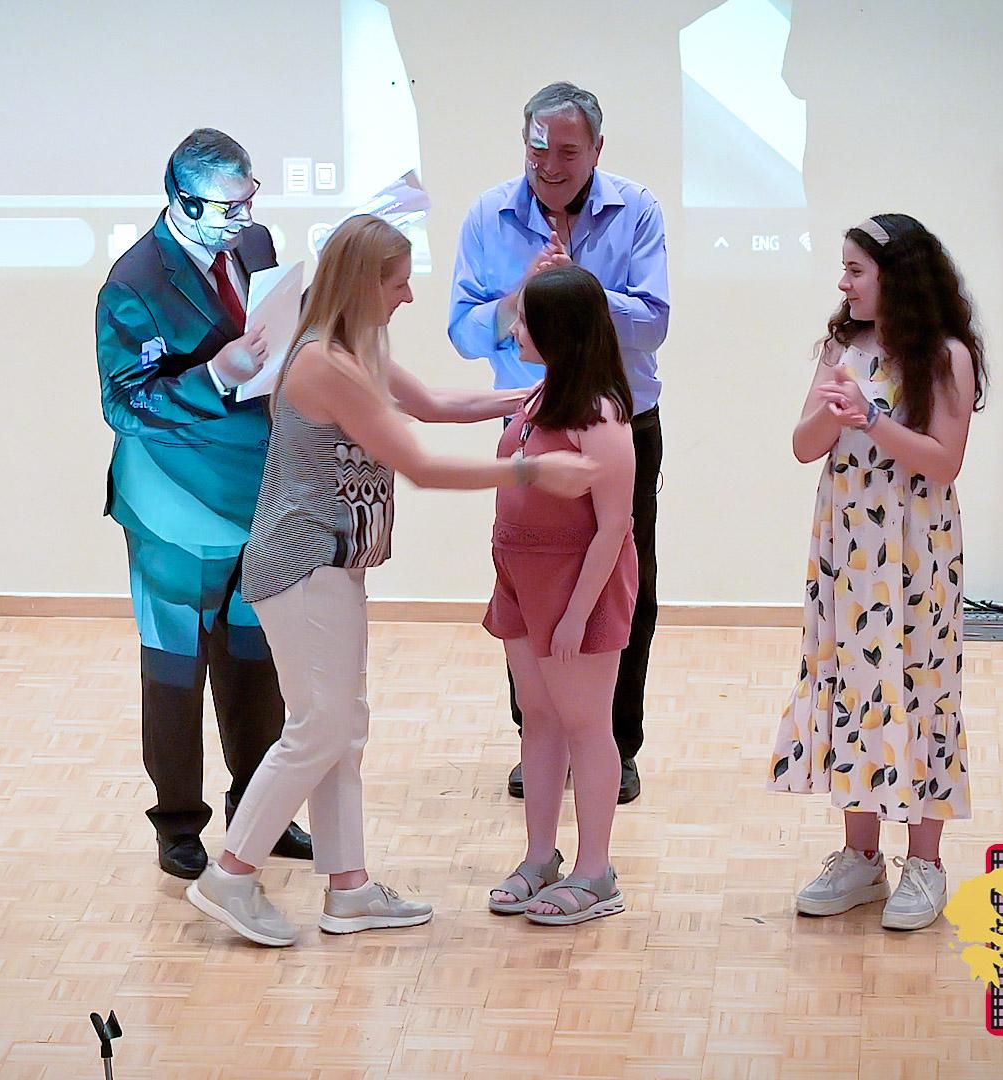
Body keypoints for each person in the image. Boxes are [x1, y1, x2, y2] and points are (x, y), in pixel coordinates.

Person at [186, 215, 596, 947]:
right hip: (301, 562)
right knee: (318, 728)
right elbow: (422, 464)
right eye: (400, 282)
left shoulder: (356, 349)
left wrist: (534, 396)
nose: (408, 296)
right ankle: (231, 872)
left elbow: (436, 406)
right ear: (364, 282)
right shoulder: (323, 364)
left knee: (342, 727)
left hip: (333, 563)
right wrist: (533, 469)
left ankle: (349, 889)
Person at [93, 128, 310, 879]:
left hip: (256, 491)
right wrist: (215, 375)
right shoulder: (133, 283)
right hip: (173, 504)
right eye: (227, 208)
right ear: (181, 202)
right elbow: (124, 404)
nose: (243, 220)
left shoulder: (255, 245)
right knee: (176, 665)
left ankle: (260, 811)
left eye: (249, 202)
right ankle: (178, 822)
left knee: (255, 659)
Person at [449, 81, 669, 805]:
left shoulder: (637, 209)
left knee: (623, 583)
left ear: (598, 149)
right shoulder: (488, 213)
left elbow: (654, 321)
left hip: (619, 421)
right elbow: (464, 331)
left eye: (567, 151)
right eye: (537, 148)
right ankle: (537, 735)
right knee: (527, 577)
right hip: (527, 421)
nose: (549, 164)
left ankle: (615, 743)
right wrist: (520, 297)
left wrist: (575, 289)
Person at [771, 214, 985, 932]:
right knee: (850, 681)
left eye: (856, 270)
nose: (844, 282)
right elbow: (803, 446)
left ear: (897, 277)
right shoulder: (844, 346)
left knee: (919, 684)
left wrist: (871, 419)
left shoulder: (948, 355)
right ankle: (861, 856)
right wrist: (835, 414)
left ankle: (925, 862)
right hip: (848, 544)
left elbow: (943, 461)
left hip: (918, 547)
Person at [483, 265, 637, 925]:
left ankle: (595, 870)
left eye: (525, 319)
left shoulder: (601, 415)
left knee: (585, 724)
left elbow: (613, 527)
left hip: (575, 588)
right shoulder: (538, 395)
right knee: (539, 719)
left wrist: (577, 615)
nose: (515, 329)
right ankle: (539, 855)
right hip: (520, 581)